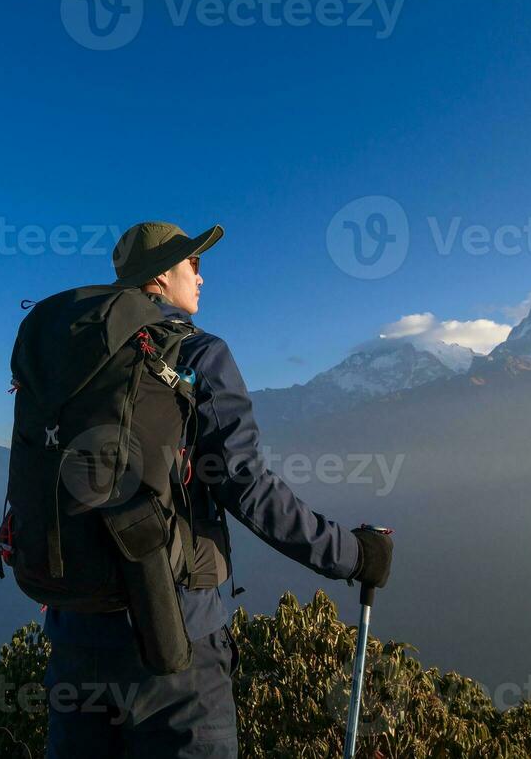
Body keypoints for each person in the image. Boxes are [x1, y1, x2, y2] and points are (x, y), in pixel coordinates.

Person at [43, 220, 395, 758]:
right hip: (174, 642)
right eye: (194, 263)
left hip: (74, 637)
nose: (202, 277)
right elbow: (244, 484)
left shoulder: (69, 360)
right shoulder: (195, 353)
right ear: (160, 276)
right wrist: (352, 554)